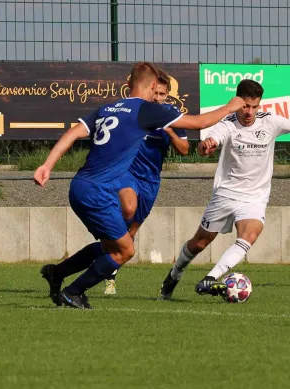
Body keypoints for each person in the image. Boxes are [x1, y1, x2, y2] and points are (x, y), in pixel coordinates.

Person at [35, 61, 244, 309]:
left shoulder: (108, 108)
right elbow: (199, 123)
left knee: (111, 246)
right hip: (98, 191)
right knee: (125, 251)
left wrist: (47, 165)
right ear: (154, 85)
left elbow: (71, 134)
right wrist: (231, 106)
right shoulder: (146, 110)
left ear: (128, 84)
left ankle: (58, 274)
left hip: (80, 186)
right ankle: (73, 292)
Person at [158, 79, 290, 300]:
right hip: (226, 194)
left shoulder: (271, 122)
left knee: (250, 234)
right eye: (245, 106)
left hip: (255, 197)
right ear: (237, 102)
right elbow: (208, 143)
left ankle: (212, 277)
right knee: (199, 243)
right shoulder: (227, 124)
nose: (249, 112)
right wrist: (205, 146)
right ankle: (174, 275)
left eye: (254, 106)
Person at [102, 69, 190, 295]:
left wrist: (170, 132)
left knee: (130, 233)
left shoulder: (172, 115)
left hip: (150, 180)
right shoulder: (135, 111)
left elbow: (184, 150)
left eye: (162, 94)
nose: (157, 98)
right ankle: (105, 262)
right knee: (127, 210)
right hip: (127, 172)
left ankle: (109, 272)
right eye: (156, 92)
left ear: (167, 94)